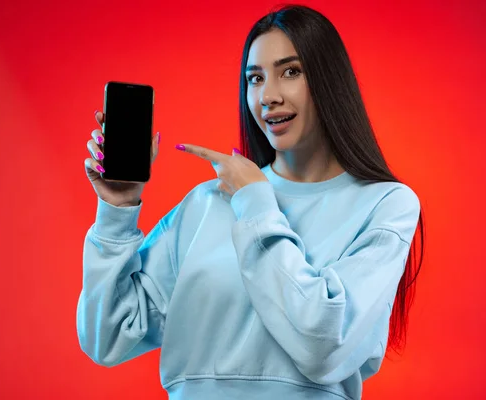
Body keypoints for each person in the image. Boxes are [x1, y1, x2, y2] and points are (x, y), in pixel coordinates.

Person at [77, 4, 425, 400]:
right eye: (255, 78)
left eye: (290, 72)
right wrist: (117, 212)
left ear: (329, 81)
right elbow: (108, 337)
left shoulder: (386, 204)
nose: (268, 96)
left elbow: (324, 345)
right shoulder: (206, 204)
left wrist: (255, 201)